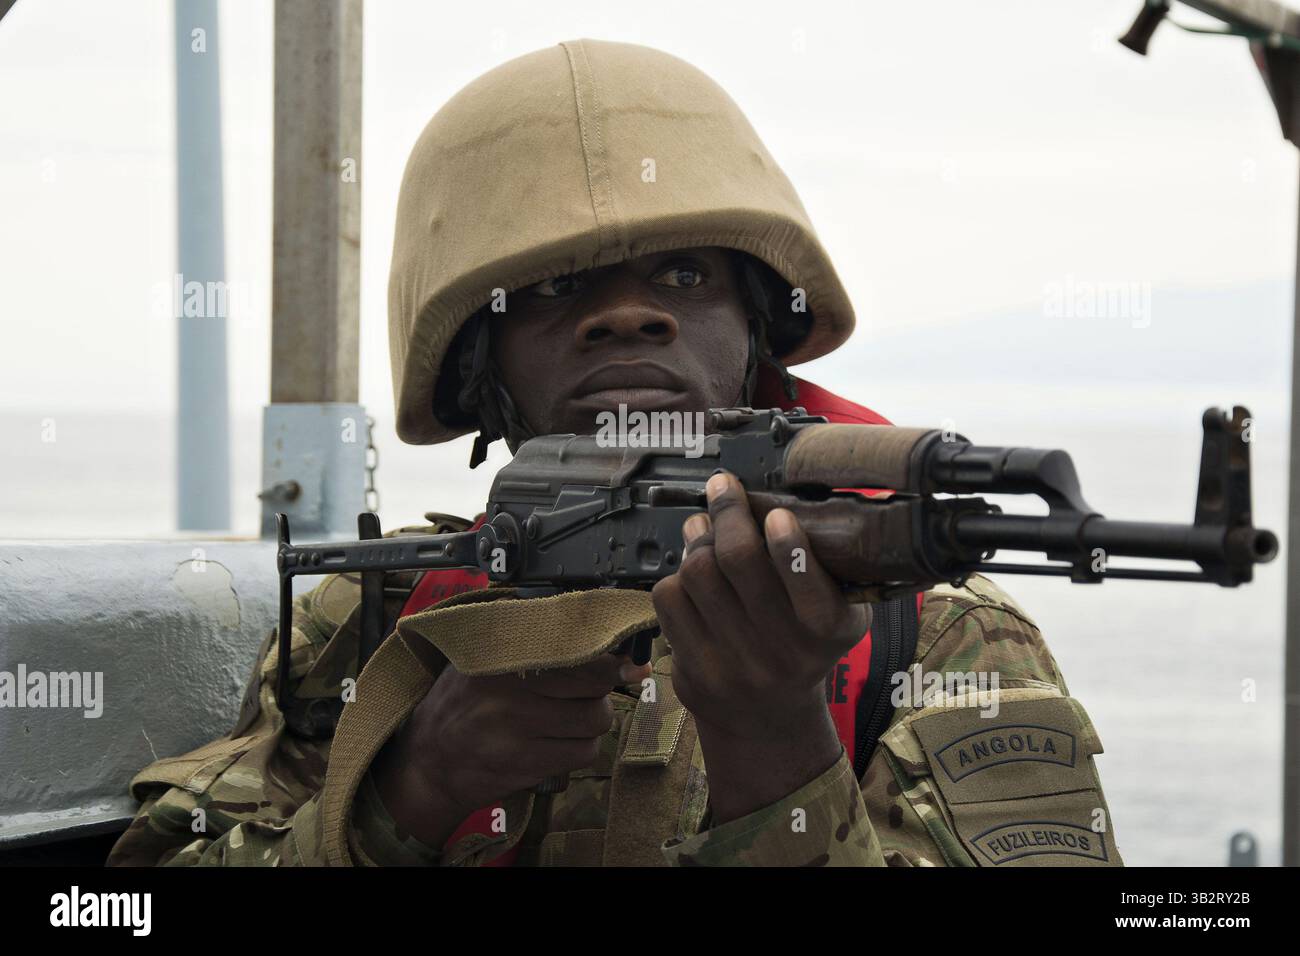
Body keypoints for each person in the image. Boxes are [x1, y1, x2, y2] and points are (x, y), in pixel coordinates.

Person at [108, 39, 1122, 867]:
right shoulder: (380, 620)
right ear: (477, 366)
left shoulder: (933, 638)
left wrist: (773, 736)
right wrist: (411, 788)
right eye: (550, 291)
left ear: (754, 329)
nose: (627, 316)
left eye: (683, 274)